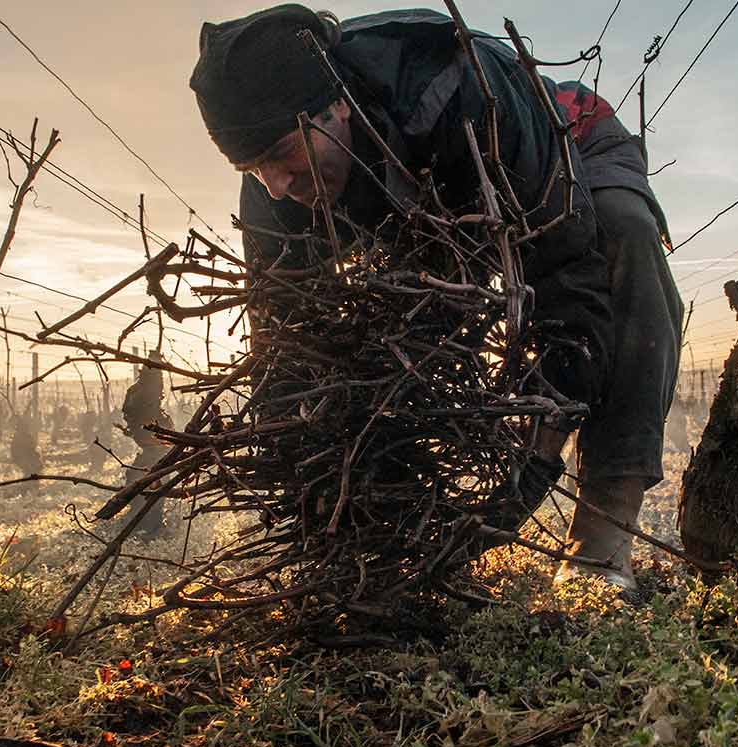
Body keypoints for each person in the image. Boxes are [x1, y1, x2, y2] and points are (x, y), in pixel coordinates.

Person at [189, 5, 683, 596]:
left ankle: (601, 545)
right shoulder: (276, 186)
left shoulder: (454, 89)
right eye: (250, 168)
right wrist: (313, 492)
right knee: (403, 327)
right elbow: (286, 338)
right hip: (426, 201)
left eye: (279, 156)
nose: (275, 184)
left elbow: (566, 276)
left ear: (335, 105)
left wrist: (535, 461)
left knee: (621, 240)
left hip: (562, 147)